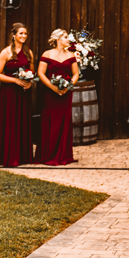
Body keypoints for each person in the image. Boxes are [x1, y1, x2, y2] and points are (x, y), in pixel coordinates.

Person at [37, 29, 81, 166]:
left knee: (64, 121)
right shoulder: (47, 54)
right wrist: (53, 87)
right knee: (50, 121)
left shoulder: (71, 55)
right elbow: (41, 73)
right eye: (66, 37)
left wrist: (68, 87)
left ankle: (63, 154)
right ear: (57, 39)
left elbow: (76, 74)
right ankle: (48, 154)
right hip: (50, 94)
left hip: (65, 94)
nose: (68, 39)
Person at [0, 22, 34, 167]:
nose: (23, 36)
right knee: (10, 122)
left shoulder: (28, 52)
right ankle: (9, 156)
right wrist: (15, 80)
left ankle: (23, 156)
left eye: (25, 34)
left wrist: (30, 82)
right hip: (9, 92)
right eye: (21, 33)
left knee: (22, 121)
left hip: (23, 93)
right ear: (14, 35)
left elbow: (31, 72)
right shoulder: (6, 52)